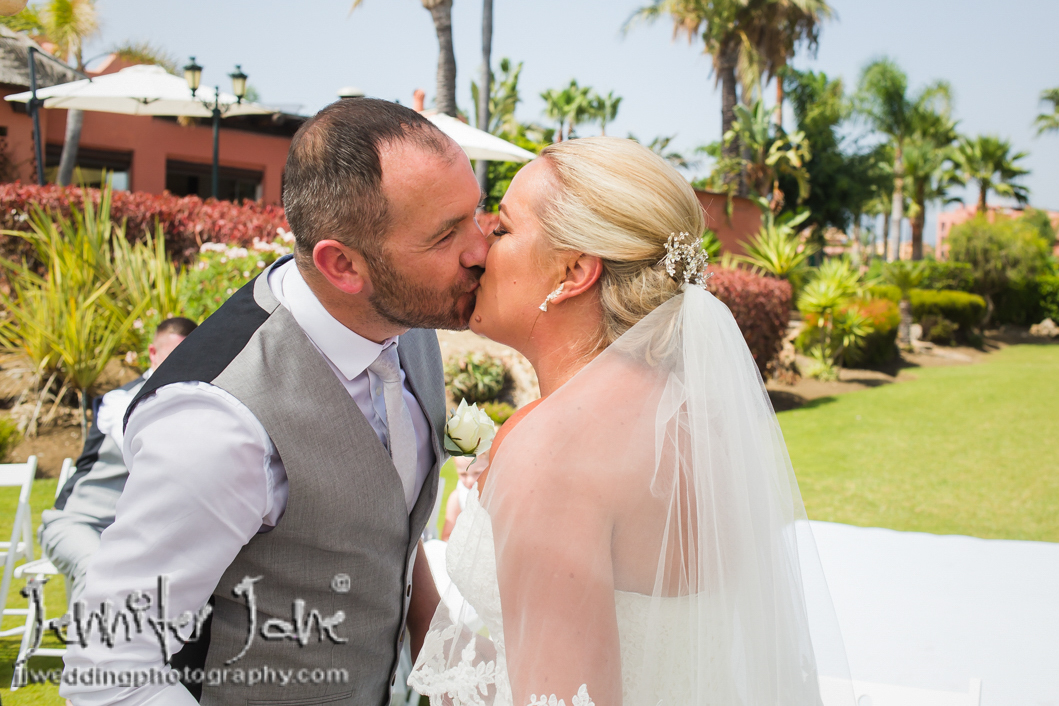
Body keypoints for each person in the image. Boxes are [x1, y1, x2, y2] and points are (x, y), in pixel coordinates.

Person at [62, 98, 488, 706]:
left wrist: (449, 666)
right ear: (343, 265)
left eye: (474, 213)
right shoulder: (219, 425)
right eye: (445, 235)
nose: (480, 249)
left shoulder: (406, 320)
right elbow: (108, 665)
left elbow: (384, 524)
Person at [409, 137, 852, 705]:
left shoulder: (552, 450)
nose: (479, 248)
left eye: (503, 229)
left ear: (574, 272)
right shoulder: (699, 421)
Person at [40, 318, 197, 604]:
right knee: (97, 570)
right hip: (79, 523)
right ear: (153, 353)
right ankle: (87, 634)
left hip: (134, 537)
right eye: (175, 353)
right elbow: (146, 453)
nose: (183, 362)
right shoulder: (119, 401)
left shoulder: (196, 404)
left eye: (191, 353)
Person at [440, 455, 486, 541]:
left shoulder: (500, 497)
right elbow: (446, 536)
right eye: (463, 474)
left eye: (477, 472)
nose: (470, 480)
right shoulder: (458, 497)